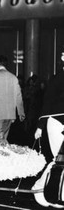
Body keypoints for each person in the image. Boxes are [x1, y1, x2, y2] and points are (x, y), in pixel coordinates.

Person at [32, 68, 64, 208]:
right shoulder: (58, 78)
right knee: (58, 159)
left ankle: (58, 194)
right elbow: (48, 102)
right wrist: (40, 126)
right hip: (56, 122)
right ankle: (38, 189)